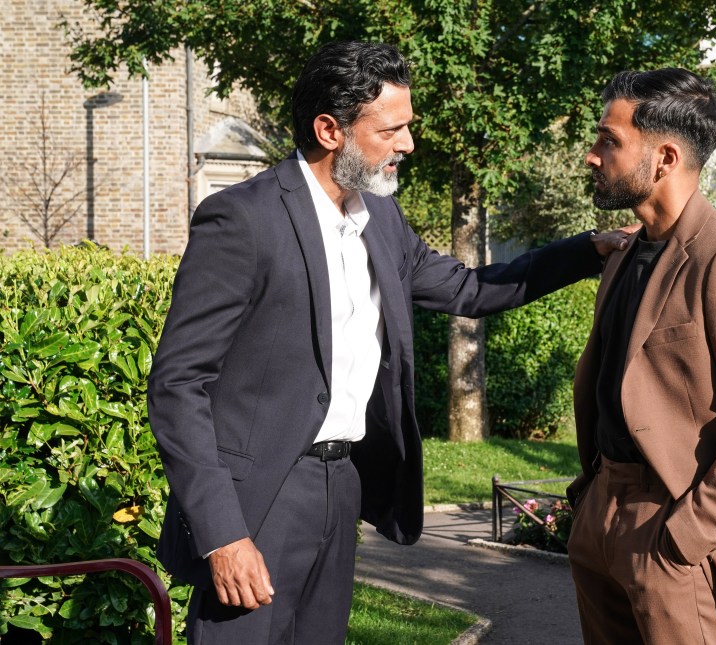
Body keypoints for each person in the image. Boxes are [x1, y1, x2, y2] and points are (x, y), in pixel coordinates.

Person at [146, 40, 631, 644]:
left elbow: (469, 290)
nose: (407, 144)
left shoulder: (379, 218)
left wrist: (588, 250)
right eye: (392, 129)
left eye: (408, 127)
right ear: (330, 130)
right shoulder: (242, 219)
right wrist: (222, 533)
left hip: (341, 485)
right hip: (260, 499)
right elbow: (177, 385)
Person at [565, 67, 716, 644]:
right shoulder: (627, 252)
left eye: (609, 140)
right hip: (602, 509)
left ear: (666, 157)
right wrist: (589, 502)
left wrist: (687, 536)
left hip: (671, 526)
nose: (592, 155)